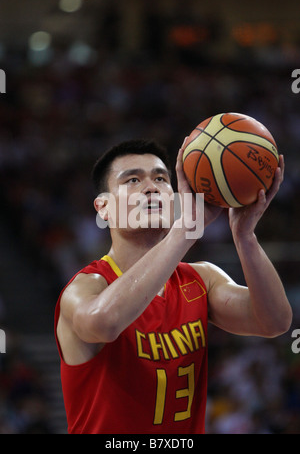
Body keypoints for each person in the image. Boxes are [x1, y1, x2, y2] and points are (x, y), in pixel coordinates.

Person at [54, 138, 292, 434]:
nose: (151, 187)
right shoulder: (86, 287)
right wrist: (185, 231)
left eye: (161, 178)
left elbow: (274, 320)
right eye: (132, 180)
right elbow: (103, 323)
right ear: (103, 208)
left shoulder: (201, 279)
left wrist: (245, 237)